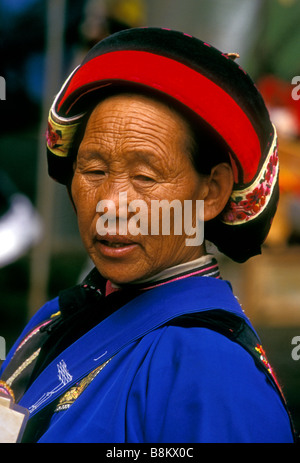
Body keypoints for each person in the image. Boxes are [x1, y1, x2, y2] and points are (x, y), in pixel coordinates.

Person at [0, 27, 296, 443]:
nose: (111, 203)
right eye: (94, 170)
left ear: (211, 191)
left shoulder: (209, 370)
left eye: (144, 175)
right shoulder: (56, 319)